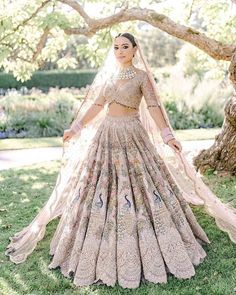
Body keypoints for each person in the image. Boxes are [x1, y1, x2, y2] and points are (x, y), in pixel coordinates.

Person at [5, 32, 236, 289]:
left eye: (125, 46)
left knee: (141, 185)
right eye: (116, 47)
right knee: (98, 184)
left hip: (132, 134)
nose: (120, 51)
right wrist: (76, 127)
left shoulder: (141, 77)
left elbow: (154, 107)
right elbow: (97, 106)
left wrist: (167, 135)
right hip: (106, 135)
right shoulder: (109, 77)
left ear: (135, 49)